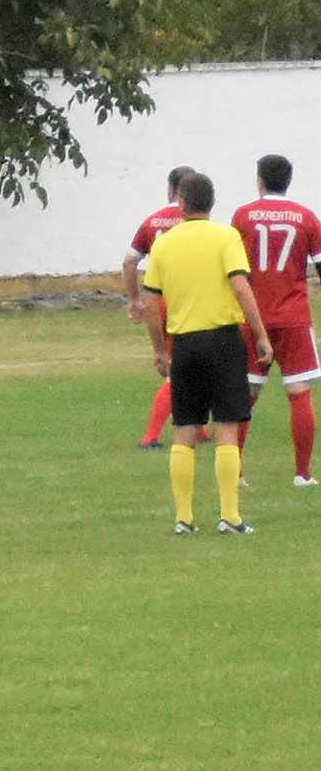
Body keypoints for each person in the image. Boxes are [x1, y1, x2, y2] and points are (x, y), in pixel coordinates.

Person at [142, 171, 275, 535]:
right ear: (212, 203)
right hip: (223, 340)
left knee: (184, 430)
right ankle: (230, 517)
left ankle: (184, 519)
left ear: (181, 203)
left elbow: (151, 301)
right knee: (227, 428)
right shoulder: (226, 237)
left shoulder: (164, 244)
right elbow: (241, 286)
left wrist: (159, 349)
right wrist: (260, 335)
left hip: (184, 344)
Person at [229, 154, 321, 485]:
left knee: (246, 394)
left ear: (260, 180)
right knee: (299, 392)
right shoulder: (306, 217)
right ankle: (303, 474)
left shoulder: (243, 216)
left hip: (253, 318)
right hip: (294, 318)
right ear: (289, 181)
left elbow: (233, 268)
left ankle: (236, 473)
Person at [124, 165, 194, 448]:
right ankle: (151, 436)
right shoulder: (196, 221)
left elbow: (130, 261)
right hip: (185, 301)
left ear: (171, 189)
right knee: (182, 368)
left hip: (157, 299)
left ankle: (198, 428)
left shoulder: (153, 221)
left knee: (187, 364)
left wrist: (134, 299)